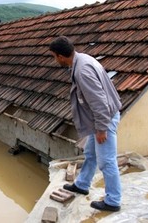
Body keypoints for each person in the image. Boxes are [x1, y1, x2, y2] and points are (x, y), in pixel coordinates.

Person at [49, 36, 122, 212]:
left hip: (104, 120)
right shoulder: (84, 59)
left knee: (107, 161)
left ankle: (113, 201)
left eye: (53, 56)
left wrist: (101, 129)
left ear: (60, 56)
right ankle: (82, 184)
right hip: (100, 119)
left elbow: (99, 103)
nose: (54, 60)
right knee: (90, 153)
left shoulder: (82, 71)